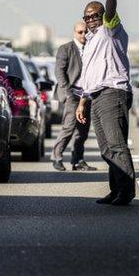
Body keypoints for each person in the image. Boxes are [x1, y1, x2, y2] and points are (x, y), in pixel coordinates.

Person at [76, 0, 135, 206]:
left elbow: (110, 11)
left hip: (113, 93)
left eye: (94, 15)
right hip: (96, 96)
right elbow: (88, 76)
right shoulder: (90, 42)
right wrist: (82, 102)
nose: (91, 20)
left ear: (101, 16)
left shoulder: (110, 30)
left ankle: (127, 191)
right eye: (87, 17)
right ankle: (116, 190)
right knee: (106, 148)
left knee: (116, 145)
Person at [51, 21, 96, 171]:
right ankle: (56, 157)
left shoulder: (92, 48)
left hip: (86, 94)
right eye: (80, 32)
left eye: (85, 32)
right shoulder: (66, 49)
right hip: (71, 94)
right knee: (69, 127)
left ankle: (77, 160)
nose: (83, 35)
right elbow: (59, 72)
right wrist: (68, 94)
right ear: (74, 33)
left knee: (83, 130)